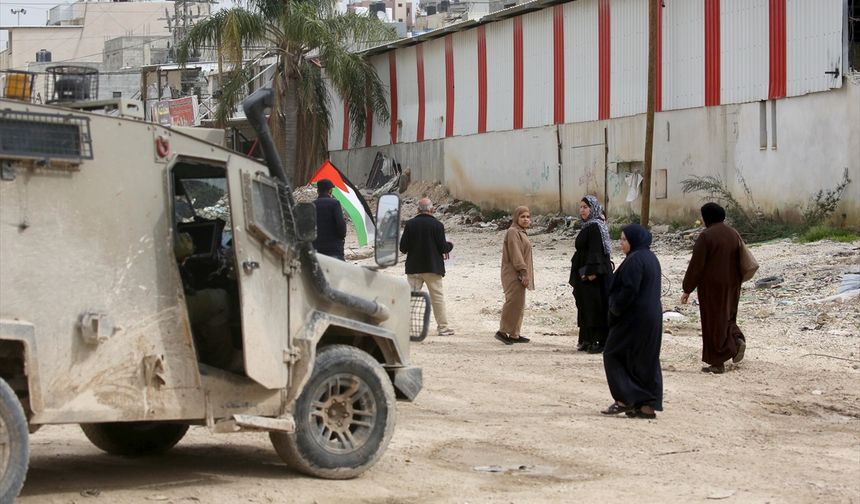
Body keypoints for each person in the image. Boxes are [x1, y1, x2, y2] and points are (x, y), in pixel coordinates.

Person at [600, 224, 663, 419]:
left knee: (613, 353)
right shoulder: (650, 257)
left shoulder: (635, 260)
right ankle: (646, 406)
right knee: (645, 359)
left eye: (624, 239)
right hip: (651, 316)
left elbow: (629, 290)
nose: (621, 243)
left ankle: (624, 399)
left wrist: (615, 309)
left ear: (634, 240)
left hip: (634, 317)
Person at [681, 202, 746, 374]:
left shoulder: (706, 236)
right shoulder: (733, 233)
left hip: (712, 286)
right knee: (728, 316)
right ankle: (736, 339)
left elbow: (697, 266)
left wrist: (687, 288)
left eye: (702, 215)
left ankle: (717, 362)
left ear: (708, 216)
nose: (701, 219)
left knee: (713, 321)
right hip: (733, 283)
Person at [400, 198, 455, 336]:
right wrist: (451, 245)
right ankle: (443, 328)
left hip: (414, 268)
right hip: (433, 267)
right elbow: (443, 248)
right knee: (437, 298)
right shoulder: (438, 225)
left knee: (411, 298)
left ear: (417, 209)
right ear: (432, 209)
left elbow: (403, 248)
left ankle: (406, 329)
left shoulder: (410, 225)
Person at [569, 195, 613, 354]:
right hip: (585, 273)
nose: (582, 210)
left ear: (593, 208)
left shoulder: (595, 226)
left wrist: (590, 273)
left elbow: (596, 252)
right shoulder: (588, 225)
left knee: (596, 306)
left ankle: (599, 341)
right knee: (586, 306)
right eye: (581, 207)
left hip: (593, 276)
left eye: (585, 207)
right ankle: (587, 339)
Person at [495, 206, 534, 345]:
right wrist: (523, 272)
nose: (526, 219)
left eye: (528, 217)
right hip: (513, 274)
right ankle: (502, 331)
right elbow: (516, 255)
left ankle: (514, 334)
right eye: (522, 216)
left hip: (519, 273)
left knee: (519, 304)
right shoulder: (513, 232)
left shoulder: (521, 232)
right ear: (516, 217)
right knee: (512, 302)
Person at [313, 179, 347, 260]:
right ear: (330, 191)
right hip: (334, 250)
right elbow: (341, 226)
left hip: (317, 250)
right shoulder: (335, 203)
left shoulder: (312, 205)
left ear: (318, 191)